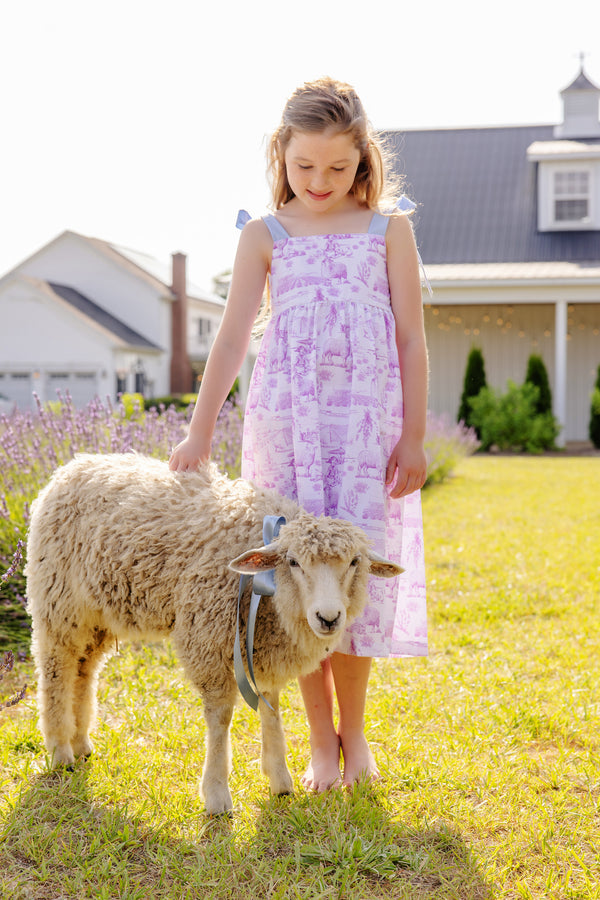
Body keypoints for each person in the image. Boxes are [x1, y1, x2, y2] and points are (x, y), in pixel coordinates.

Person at [169, 77, 428, 792]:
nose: (320, 181)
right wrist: (197, 434)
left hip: (365, 434)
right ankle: (319, 743)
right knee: (299, 586)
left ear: (363, 161)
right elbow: (227, 344)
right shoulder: (265, 234)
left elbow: (411, 337)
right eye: (304, 166)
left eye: (338, 168)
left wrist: (412, 437)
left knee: (348, 581)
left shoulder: (388, 230)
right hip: (290, 431)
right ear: (280, 153)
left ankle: (357, 736)